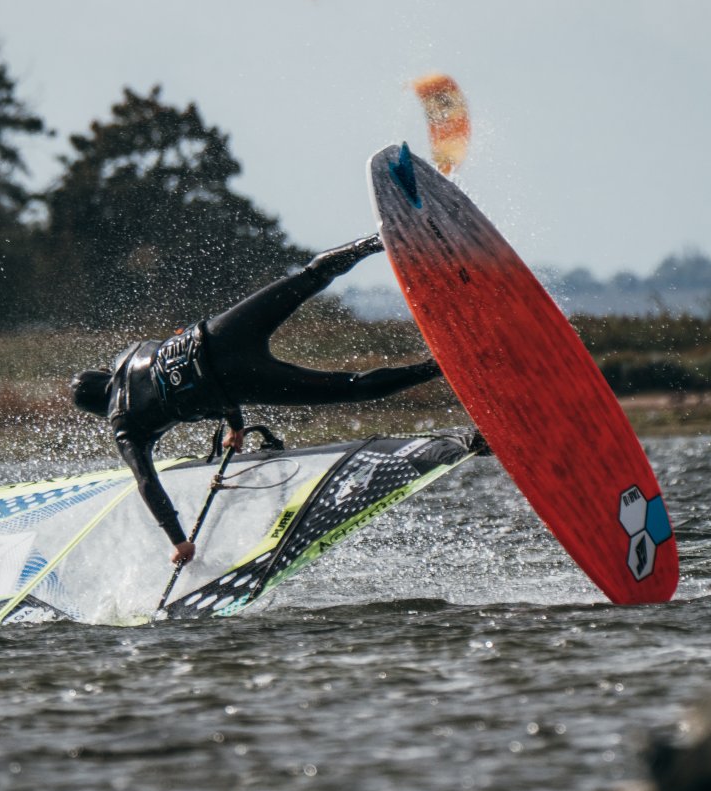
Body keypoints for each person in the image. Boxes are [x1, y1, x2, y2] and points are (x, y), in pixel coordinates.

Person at [70, 234, 443, 565]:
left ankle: (437, 366)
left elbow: (148, 484)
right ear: (104, 376)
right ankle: (379, 241)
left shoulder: (125, 425)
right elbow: (181, 372)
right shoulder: (129, 355)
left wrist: (179, 541)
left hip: (240, 381)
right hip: (221, 334)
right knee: (311, 276)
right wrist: (235, 424)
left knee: (351, 386)